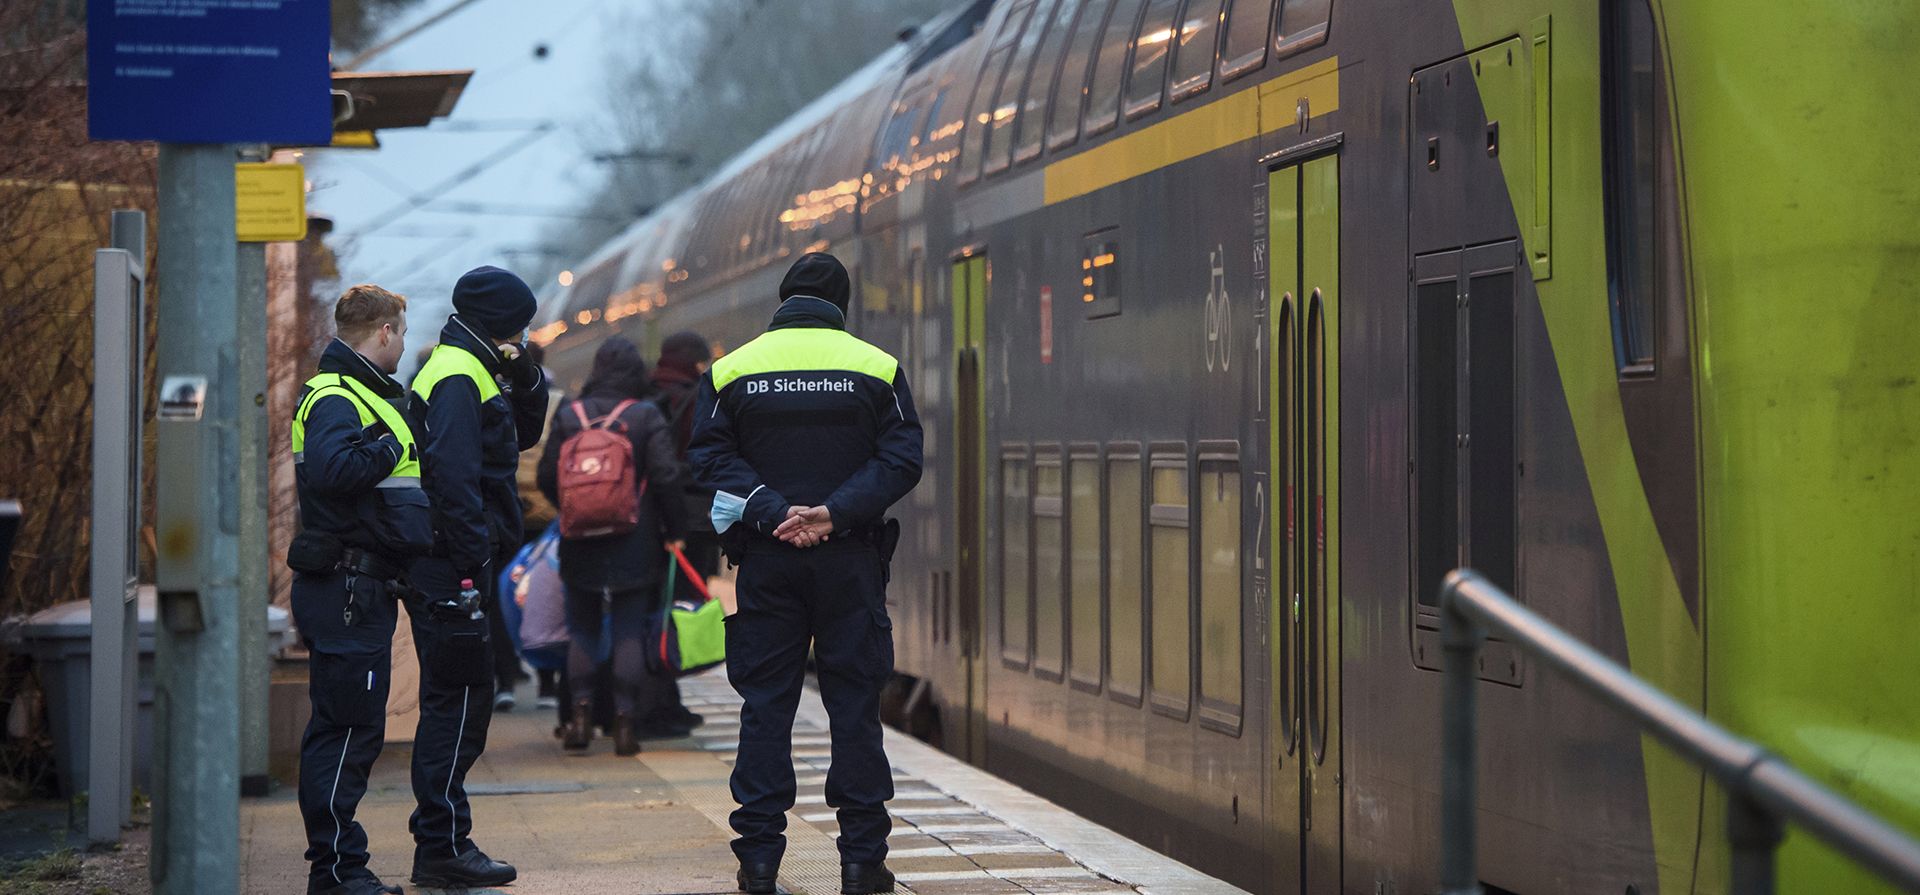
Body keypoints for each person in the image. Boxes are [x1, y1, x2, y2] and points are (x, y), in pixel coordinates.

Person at [688, 252, 923, 895]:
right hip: (849, 563)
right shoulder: (877, 368)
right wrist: (833, 514)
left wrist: (771, 511)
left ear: (783, 298)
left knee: (766, 707)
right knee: (855, 709)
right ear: (841, 303)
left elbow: (708, 456)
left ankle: (760, 859)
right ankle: (862, 861)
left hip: (768, 562)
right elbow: (902, 459)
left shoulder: (733, 369)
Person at [404, 266, 547, 889]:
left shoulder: (473, 367)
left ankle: (445, 841)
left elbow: (521, 436)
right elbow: (454, 476)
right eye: (521, 324)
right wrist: (472, 563)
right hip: (452, 565)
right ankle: (442, 846)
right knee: (458, 702)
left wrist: (526, 375)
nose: (525, 333)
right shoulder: (458, 376)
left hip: (456, 560)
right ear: (501, 322)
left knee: (462, 700)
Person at [287, 284, 426, 895]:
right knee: (345, 730)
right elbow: (335, 470)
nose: (404, 346)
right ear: (385, 331)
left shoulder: (358, 393)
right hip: (346, 588)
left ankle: (339, 865)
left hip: (356, 585)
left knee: (351, 727)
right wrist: (396, 441)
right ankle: (337, 871)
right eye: (403, 333)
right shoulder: (337, 397)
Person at [535, 337, 690, 755]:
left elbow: (547, 476)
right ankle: (624, 722)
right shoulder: (645, 415)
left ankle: (580, 715)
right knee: (628, 631)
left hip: (579, 541)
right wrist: (675, 529)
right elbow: (666, 476)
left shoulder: (571, 414)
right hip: (635, 541)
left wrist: (573, 510)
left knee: (582, 629)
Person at [648, 330, 718, 734]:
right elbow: (707, 457)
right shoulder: (696, 398)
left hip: (645, 521)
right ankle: (662, 703)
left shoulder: (642, 393)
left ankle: (660, 699)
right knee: (679, 611)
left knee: (654, 610)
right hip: (690, 522)